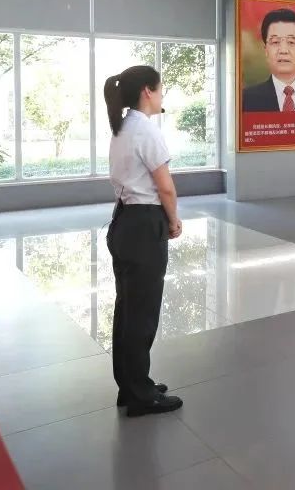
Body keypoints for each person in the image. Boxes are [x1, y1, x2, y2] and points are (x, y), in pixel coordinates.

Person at [104, 66, 183, 417]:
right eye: (160, 88)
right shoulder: (146, 130)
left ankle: (131, 384)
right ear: (148, 92)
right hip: (143, 225)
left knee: (127, 309)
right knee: (142, 313)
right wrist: (173, 219)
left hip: (123, 221)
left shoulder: (122, 128)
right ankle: (141, 394)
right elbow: (165, 187)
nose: (162, 94)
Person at [241, 8, 295, 112]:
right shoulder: (247, 99)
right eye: (275, 42)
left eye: (291, 42)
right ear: (266, 51)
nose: (283, 50)